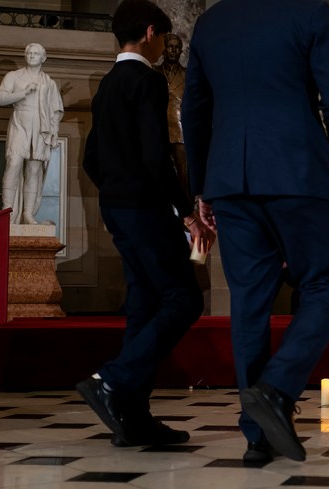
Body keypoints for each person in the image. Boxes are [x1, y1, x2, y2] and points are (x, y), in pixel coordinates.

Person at [182, 0, 329, 465]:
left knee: (249, 302)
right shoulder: (309, 11)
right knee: (328, 282)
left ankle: (258, 437)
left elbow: (193, 110)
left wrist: (202, 186)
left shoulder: (211, 22)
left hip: (229, 181)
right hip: (297, 169)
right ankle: (276, 389)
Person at [77, 0, 211, 448]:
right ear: (151, 33)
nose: (163, 46)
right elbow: (156, 157)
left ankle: (131, 417)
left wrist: (118, 189)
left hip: (117, 209)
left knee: (144, 305)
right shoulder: (148, 81)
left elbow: (91, 158)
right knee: (184, 298)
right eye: (163, 37)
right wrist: (187, 212)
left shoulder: (107, 84)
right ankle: (112, 380)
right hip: (147, 209)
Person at [0, 42, 63, 225]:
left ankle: (28, 213)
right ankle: (7, 210)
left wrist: (54, 131)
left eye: (36, 54)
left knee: (34, 170)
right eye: (29, 53)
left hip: (40, 127)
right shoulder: (13, 76)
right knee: (14, 163)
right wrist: (23, 93)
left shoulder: (49, 82)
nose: (32, 56)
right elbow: (1, 98)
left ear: (43, 58)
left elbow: (56, 110)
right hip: (20, 124)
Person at [152, 33, 189, 199]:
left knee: (183, 176)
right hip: (159, 129)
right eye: (170, 47)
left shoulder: (187, 74)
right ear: (164, 50)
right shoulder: (154, 72)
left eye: (177, 47)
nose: (173, 50)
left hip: (180, 131)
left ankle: (186, 210)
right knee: (158, 174)